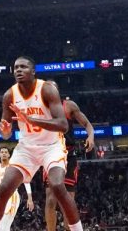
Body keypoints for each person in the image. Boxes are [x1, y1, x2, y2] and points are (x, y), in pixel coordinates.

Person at [0, 56, 84, 231]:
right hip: (26, 148)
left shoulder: (47, 89)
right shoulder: (9, 95)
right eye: (15, 67)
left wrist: (32, 120)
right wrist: (5, 133)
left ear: (33, 71)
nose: (18, 70)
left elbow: (63, 125)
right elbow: (6, 131)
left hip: (52, 146)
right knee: (3, 187)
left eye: (23, 67)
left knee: (57, 185)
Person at [45, 99, 95, 231]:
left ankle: (69, 229)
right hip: (50, 154)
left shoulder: (68, 106)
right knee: (50, 198)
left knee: (68, 200)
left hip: (69, 155)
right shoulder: (40, 108)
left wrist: (91, 136)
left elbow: (86, 124)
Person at [0, 147, 34, 230]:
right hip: (2, 198)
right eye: (2, 152)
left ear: (9, 155)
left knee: (5, 223)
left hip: (12, 196)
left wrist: (30, 199)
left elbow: (26, 181)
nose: (4, 153)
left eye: (6, 152)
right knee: (3, 226)